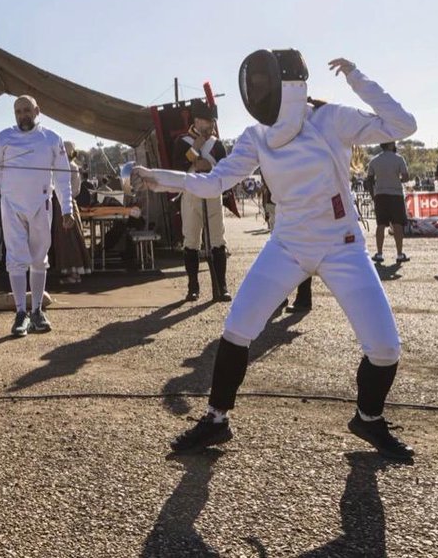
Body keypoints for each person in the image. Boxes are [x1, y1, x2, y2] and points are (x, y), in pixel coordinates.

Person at [135, 52, 418, 461]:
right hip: (287, 245)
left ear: (289, 87)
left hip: (342, 245)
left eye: (264, 86)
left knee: (385, 349)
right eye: (255, 88)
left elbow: (403, 125)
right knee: (237, 328)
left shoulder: (331, 120)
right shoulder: (256, 136)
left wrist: (356, 78)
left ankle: (368, 419)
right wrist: (158, 177)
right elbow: (216, 181)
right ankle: (217, 419)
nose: (257, 94)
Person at [0, 95, 75, 337]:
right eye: (18, 112)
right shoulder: (3, 138)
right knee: (15, 258)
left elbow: (63, 176)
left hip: (41, 205)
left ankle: (37, 312)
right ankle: (20, 313)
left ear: (37, 111)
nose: (23, 115)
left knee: (39, 258)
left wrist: (67, 208)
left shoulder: (52, 139)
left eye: (26, 110)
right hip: (12, 206)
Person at [172, 101, 230, 302]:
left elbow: (226, 169)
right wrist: (194, 150)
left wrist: (210, 166)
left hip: (213, 195)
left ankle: (221, 285)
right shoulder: (183, 141)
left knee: (217, 240)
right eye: (208, 120)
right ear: (197, 121)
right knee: (191, 240)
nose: (212, 124)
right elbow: (178, 167)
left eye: (212, 120)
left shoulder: (217, 144)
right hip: (191, 195)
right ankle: (193, 286)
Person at [51, 141, 90, 284]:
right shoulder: (61, 167)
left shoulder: (72, 168)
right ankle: (69, 271)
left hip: (67, 206)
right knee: (63, 240)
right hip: (59, 206)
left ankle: (75, 274)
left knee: (70, 239)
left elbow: (75, 190)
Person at [366, 142, 410, 264]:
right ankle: (400, 254)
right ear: (391, 145)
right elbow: (406, 177)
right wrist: (398, 179)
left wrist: (373, 195)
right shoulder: (399, 158)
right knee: (398, 224)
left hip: (380, 195)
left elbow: (369, 180)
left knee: (380, 224)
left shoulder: (374, 160)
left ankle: (379, 253)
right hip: (396, 195)